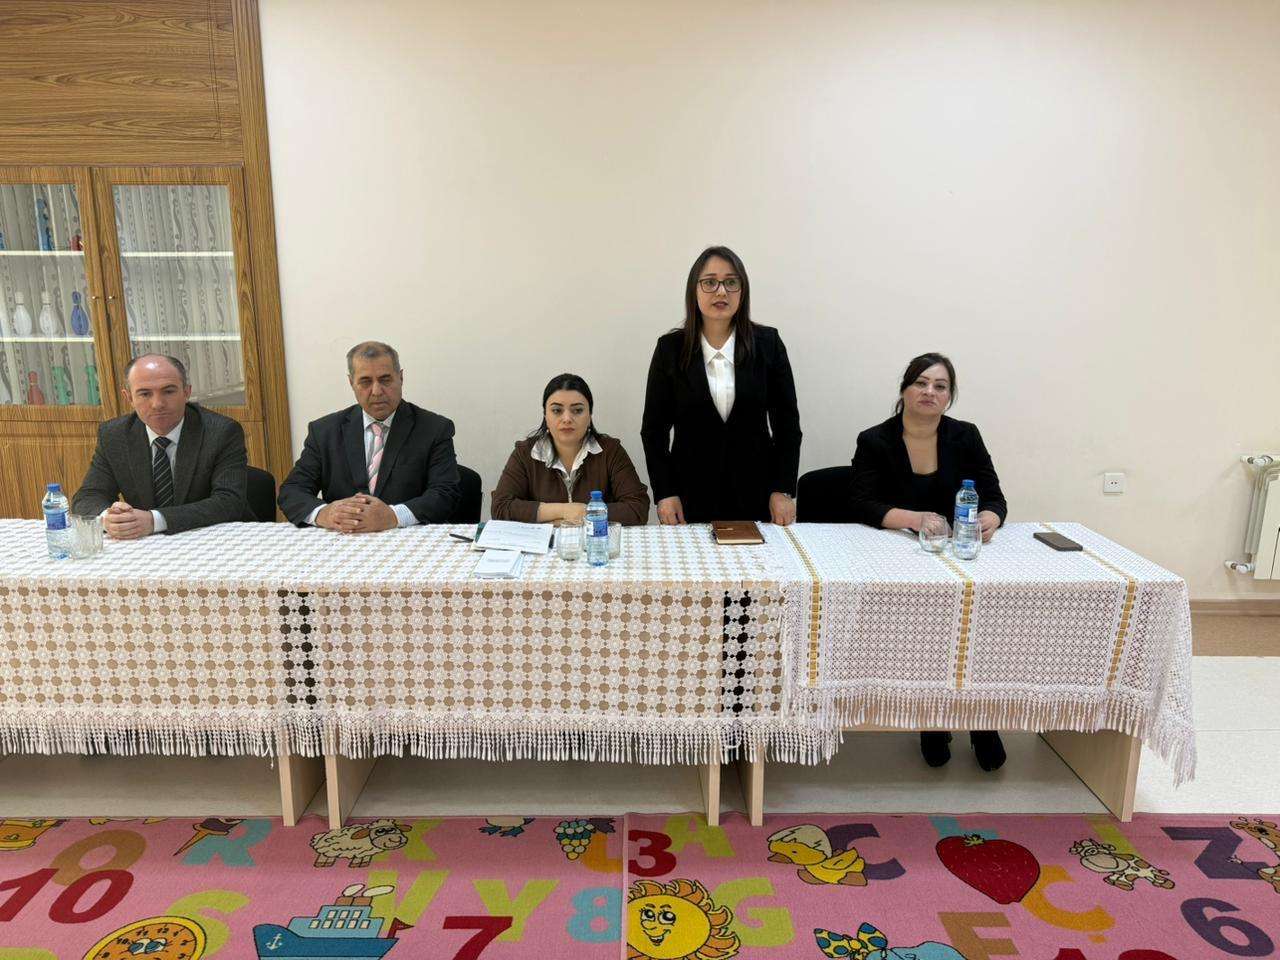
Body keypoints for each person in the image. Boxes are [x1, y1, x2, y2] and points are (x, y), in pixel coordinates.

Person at [849, 351, 1009, 771]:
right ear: (904, 390)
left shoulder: (966, 436)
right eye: (921, 383)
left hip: (959, 557)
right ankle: (932, 720)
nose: (929, 392)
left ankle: (983, 720)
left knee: (981, 624)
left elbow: (994, 496)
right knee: (925, 630)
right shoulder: (874, 440)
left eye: (940, 386)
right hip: (899, 557)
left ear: (949, 397)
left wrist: (991, 517)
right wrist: (914, 519)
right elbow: (862, 502)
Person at [641, 245, 802, 525]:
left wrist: (783, 489)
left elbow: (787, 425)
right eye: (709, 282)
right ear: (694, 290)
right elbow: (654, 431)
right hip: (689, 495)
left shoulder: (768, 344)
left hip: (757, 494)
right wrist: (665, 492)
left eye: (731, 282)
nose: (721, 291)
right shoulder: (670, 349)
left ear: (742, 290)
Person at [277, 341, 460, 530]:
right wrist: (325, 514)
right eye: (365, 382)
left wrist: (393, 516)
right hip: (342, 539)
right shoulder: (324, 432)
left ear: (401, 378)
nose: (377, 391)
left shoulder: (434, 429)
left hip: (407, 538)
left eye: (385, 380)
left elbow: (446, 493)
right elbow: (292, 491)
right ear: (351, 383)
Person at [71, 353, 252, 537]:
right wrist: (108, 518)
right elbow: (88, 496)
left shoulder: (221, 432)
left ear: (186, 392)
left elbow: (229, 502)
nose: (157, 404)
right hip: (146, 545)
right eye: (145, 394)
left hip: (213, 538)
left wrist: (154, 520)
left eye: (168, 391)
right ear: (129, 398)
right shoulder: (114, 435)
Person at [491, 373, 650, 525]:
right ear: (545, 416)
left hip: (596, 541)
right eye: (557, 410)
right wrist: (566, 511)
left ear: (590, 416)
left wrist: (583, 513)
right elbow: (500, 507)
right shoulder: (525, 453)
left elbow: (638, 508)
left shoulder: (610, 451)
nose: (567, 419)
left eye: (577, 410)